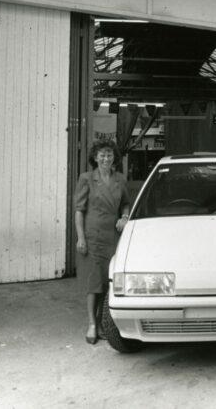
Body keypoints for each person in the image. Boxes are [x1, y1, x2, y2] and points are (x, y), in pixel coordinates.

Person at [74, 139, 131, 344]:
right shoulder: (87, 179)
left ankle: (101, 323)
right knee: (93, 283)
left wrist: (124, 217)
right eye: (102, 155)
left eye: (109, 154)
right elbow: (79, 211)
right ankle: (91, 324)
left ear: (114, 157)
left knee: (108, 283)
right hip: (92, 237)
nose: (106, 158)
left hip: (112, 238)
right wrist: (80, 238)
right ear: (95, 158)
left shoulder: (120, 180)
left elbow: (125, 204)